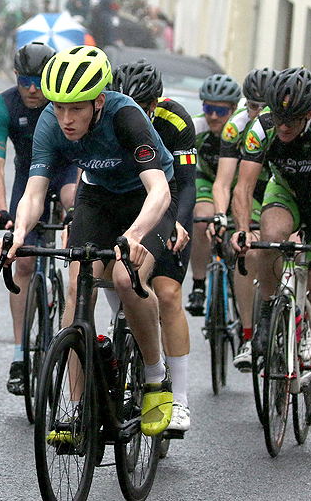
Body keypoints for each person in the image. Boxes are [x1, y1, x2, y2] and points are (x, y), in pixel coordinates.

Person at [0, 45, 175, 437]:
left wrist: (133, 236)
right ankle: (76, 410)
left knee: (127, 279)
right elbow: (34, 192)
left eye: (76, 108)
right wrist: (19, 232)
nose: (66, 118)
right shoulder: (50, 121)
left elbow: (160, 190)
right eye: (59, 107)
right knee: (78, 287)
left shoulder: (126, 116)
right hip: (98, 197)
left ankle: (155, 377)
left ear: (98, 101)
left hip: (149, 199)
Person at [231, 67, 311, 428]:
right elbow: (243, 187)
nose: (282, 127)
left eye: (291, 121)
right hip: (284, 194)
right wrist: (242, 230)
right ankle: (268, 309)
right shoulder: (262, 126)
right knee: (269, 236)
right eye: (278, 118)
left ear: (309, 114)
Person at [0, 42, 78, 395]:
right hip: (29, 177)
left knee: (72, 200)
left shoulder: (63, 104)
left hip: (66, 173)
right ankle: (19, 354)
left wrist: (77, 214)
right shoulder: (2, 106)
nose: (33, 89)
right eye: (25, 81)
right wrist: (0, 211)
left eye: (39, 81)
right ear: (15, 77)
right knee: (22, 261)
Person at [114, 60, 196, 434]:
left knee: (168, 295)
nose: (136, 113)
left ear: (156, 102)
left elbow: (188, 182)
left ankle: (178, 400)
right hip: (128, 208)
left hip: (169, 207)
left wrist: (179, 221)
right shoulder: (109, 116)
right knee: (117, 285)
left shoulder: (176, 121)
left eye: (144, 106)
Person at [210, 67, 276, 370]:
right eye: (252, 106)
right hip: (248, 190)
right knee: (246, 250)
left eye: (265, 107)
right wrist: (221, 216)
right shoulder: (235, 128)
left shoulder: (281, 126)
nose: (258, 113)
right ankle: (249, 336)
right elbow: (224, 182)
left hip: (275, 189)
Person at [186, 75, 242, 315]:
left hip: (238, 185)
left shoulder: (242, 130)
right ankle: (198, 285)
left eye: (220, 111)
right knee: (201, 220)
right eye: (208, 109)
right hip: (207, 180)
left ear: (234, 109)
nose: (213, 117)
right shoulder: (197, 127)